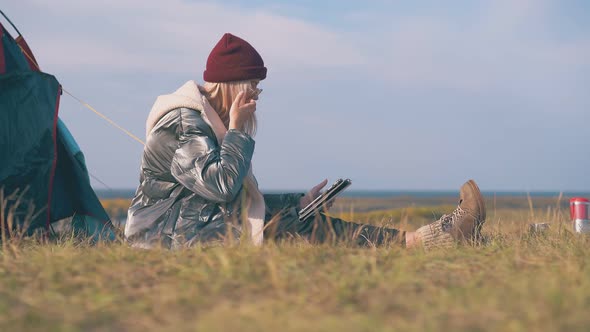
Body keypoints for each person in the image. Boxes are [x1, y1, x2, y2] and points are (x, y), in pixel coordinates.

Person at [124, 33, 486, 250]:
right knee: (296, 225)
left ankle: (430, 238)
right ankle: (431, 239)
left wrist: (297, 200)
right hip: (160, 241)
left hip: (191, 226)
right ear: (233, 86)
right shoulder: (183, 124)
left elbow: (225, 193)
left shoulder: (206, 121)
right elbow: (220, 186)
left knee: (300, 215)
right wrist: (236, 130)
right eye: (253, 87)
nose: (257, 96)